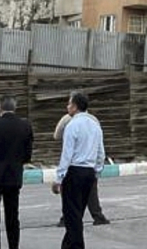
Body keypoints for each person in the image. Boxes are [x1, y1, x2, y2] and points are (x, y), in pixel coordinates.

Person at [52, 91, 105, 249]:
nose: (67, 106)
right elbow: (101, 153)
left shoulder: (72, 125)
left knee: (72, 214)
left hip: (74, 171)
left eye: (69, 103)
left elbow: (67, 155)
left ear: (75, 106)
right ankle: (68, 245)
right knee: (78, 212)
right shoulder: (95, 125)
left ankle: (76, 246)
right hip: (89, 172)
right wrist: (96, 172)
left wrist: (59, 178)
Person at [0, 95, 33, 249]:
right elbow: (27, 155)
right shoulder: (25, 126)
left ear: (0, 107)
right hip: (13, 176)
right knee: (12, 216)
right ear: (15, 107)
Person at [54, 109, 109, 227]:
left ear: (75, 106)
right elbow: (100, 149)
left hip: (73, 164)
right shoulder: (94, 121)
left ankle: (66, 218)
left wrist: (59, 176)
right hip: (90, 164)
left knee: (69, 195)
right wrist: (98, 168)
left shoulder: (67, 120)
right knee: (91, 192)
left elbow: (56, 135)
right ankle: (98, 216)